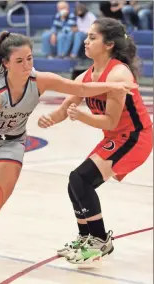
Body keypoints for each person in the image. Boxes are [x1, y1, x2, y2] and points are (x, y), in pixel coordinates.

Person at [0, 30, 136, 272]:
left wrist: (114, 85)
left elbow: (79, 89)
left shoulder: (40, 80)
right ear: (6, 63)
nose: (27, 65)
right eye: (19, 61)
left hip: (12, 142)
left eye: (30, 59)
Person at [38, 17, 152, 264]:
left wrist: (81, 116)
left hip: (135, 137)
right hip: (116, 136)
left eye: (92, 37)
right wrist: (50, 118)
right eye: (87, 36)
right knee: (75, 182)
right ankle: (86, 238)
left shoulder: (120, 74)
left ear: (109, 44)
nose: (85, 41)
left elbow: (110, 121)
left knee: (81, 179)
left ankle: (100, 241)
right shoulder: (85, 77)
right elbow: (66, 107)